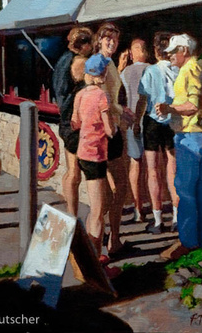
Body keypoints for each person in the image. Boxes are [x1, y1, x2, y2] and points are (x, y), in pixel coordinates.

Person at [156, 33, 202, 261]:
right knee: (199, 191)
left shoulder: (189, 69)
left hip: (191, 134)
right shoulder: (196, 67)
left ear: (184, 51)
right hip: (200, 134)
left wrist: (169, 109)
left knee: (186, 190)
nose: (169, 55)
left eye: (173, 51)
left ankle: (189, 242)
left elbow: (192, 105)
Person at [94, 22, 133, 257]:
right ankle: (113, 238)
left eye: (115, 40)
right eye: (107, 38)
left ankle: (108, 237)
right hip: (108, 131)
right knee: (120, 187)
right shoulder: (101, 64)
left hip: (107, 129)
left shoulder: (107, 63)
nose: (111, 43)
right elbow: (104, 100)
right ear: (99, 40)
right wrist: (122, 112)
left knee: (110, 189)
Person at [71, 53, 115, 258]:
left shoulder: (80, 95)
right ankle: (95, 259)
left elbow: (75, 123)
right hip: (96, 155)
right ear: (101, 74)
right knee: (97, 210)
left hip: (82, 153)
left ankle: (91, 249)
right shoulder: (101, 96)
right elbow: (110, 131)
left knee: (99, 203)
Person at [136, 31, 179, 234]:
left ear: (155, 51)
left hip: (152, 121)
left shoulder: (150, 71)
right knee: (173, 169)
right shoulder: (178, 70)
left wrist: (136, 121)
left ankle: (158, 219)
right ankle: (177, 217)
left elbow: (143, 100)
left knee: (153, 171)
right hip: (173, 122)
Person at [52, 26, 93, 215]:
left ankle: (71, 214)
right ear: (83, 45)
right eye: (91, 43)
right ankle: (73, 214)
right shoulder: (81, 63)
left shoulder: (62, 61)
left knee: (71, 170)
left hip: (66, 119)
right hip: (76, 121)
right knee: (77, 172)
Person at [120, 38, 150, 222]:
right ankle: (157, 209)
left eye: (132, 50)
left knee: (135, 163)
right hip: (151, 120)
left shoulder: (126, 72)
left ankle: (138, 208)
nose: (130, 54)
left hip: (132, 121)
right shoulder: (151, 69)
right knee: (154, 167)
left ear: (138, 50)